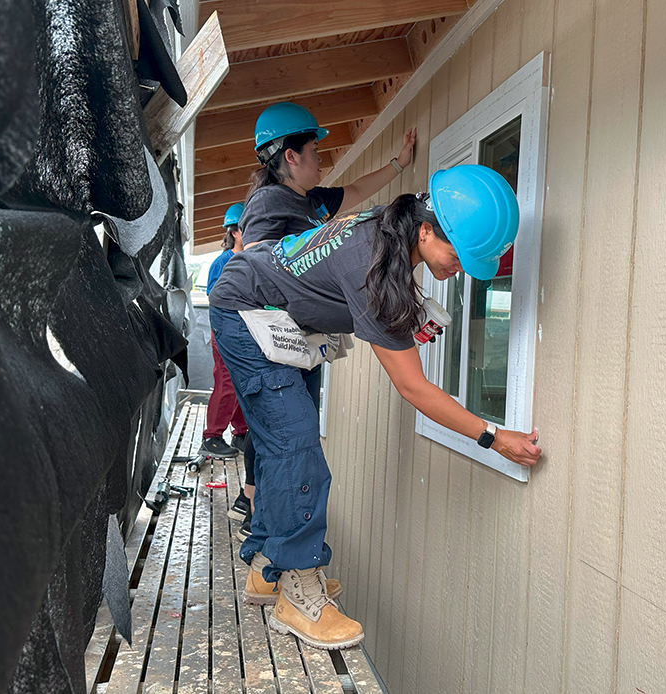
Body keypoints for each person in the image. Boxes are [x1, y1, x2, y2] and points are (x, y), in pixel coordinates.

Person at [209, 164, 542, 650]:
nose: (462, 269)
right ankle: (297, 588)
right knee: (296, 441)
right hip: (245, 309)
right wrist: (492, 436)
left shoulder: (391, 230)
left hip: (276, 309)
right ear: (426, 231)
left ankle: (267, 567)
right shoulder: (371, 266)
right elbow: (414, 388)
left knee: (283, 437)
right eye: (459, 255)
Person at [224, 100, 416, 543]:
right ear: (290, 156)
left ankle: (266, 544)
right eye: (313, 149)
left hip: (301, 342)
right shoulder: (269, 201)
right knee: (289, 440)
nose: (321, 158)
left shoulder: (310, 201)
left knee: (296, 436)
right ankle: (267, 534)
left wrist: (398, 164)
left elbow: (354, 191)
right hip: (275, 341)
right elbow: (260, 265)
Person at [199, 204, 248, 462]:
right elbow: (215, 298)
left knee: (240, 381)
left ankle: (240, 433)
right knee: (227, 381)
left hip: (243, 331)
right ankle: (211, 438)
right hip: (226, 330)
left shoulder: (248, 259)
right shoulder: (223, 262)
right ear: (236, 232)